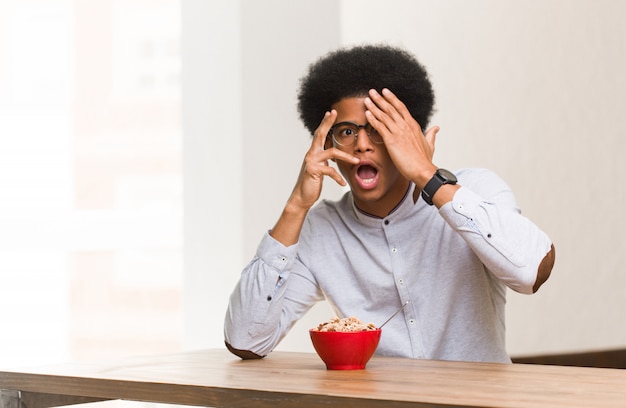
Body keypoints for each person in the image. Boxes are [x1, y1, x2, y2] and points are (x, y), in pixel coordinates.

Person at [223, 44, 555, 363]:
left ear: (409, 135)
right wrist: (296, 204)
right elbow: (247, 340)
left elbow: (532, 272)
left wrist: (428, 175)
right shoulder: (322, 231)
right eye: (347, 131)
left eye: (379, 128)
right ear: (327, 142)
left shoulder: (475, 189)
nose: (362, 145)